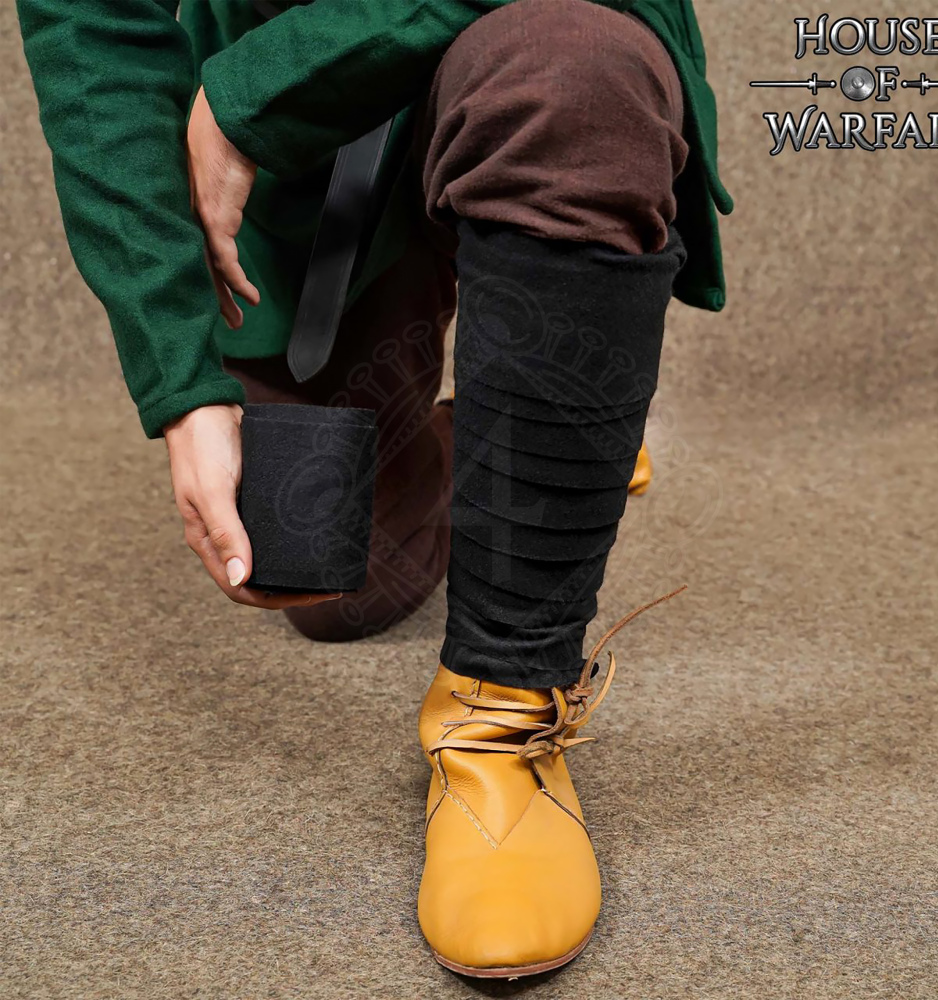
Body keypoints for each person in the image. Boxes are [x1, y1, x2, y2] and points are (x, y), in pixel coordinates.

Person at [17, 0, 731, 978]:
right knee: (337, 586)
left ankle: (497, 724)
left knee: (571, 75)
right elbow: (92, 29)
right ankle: (545, 430)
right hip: (307, 162)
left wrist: (254, 96)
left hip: (523, 42)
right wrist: (181, 383)